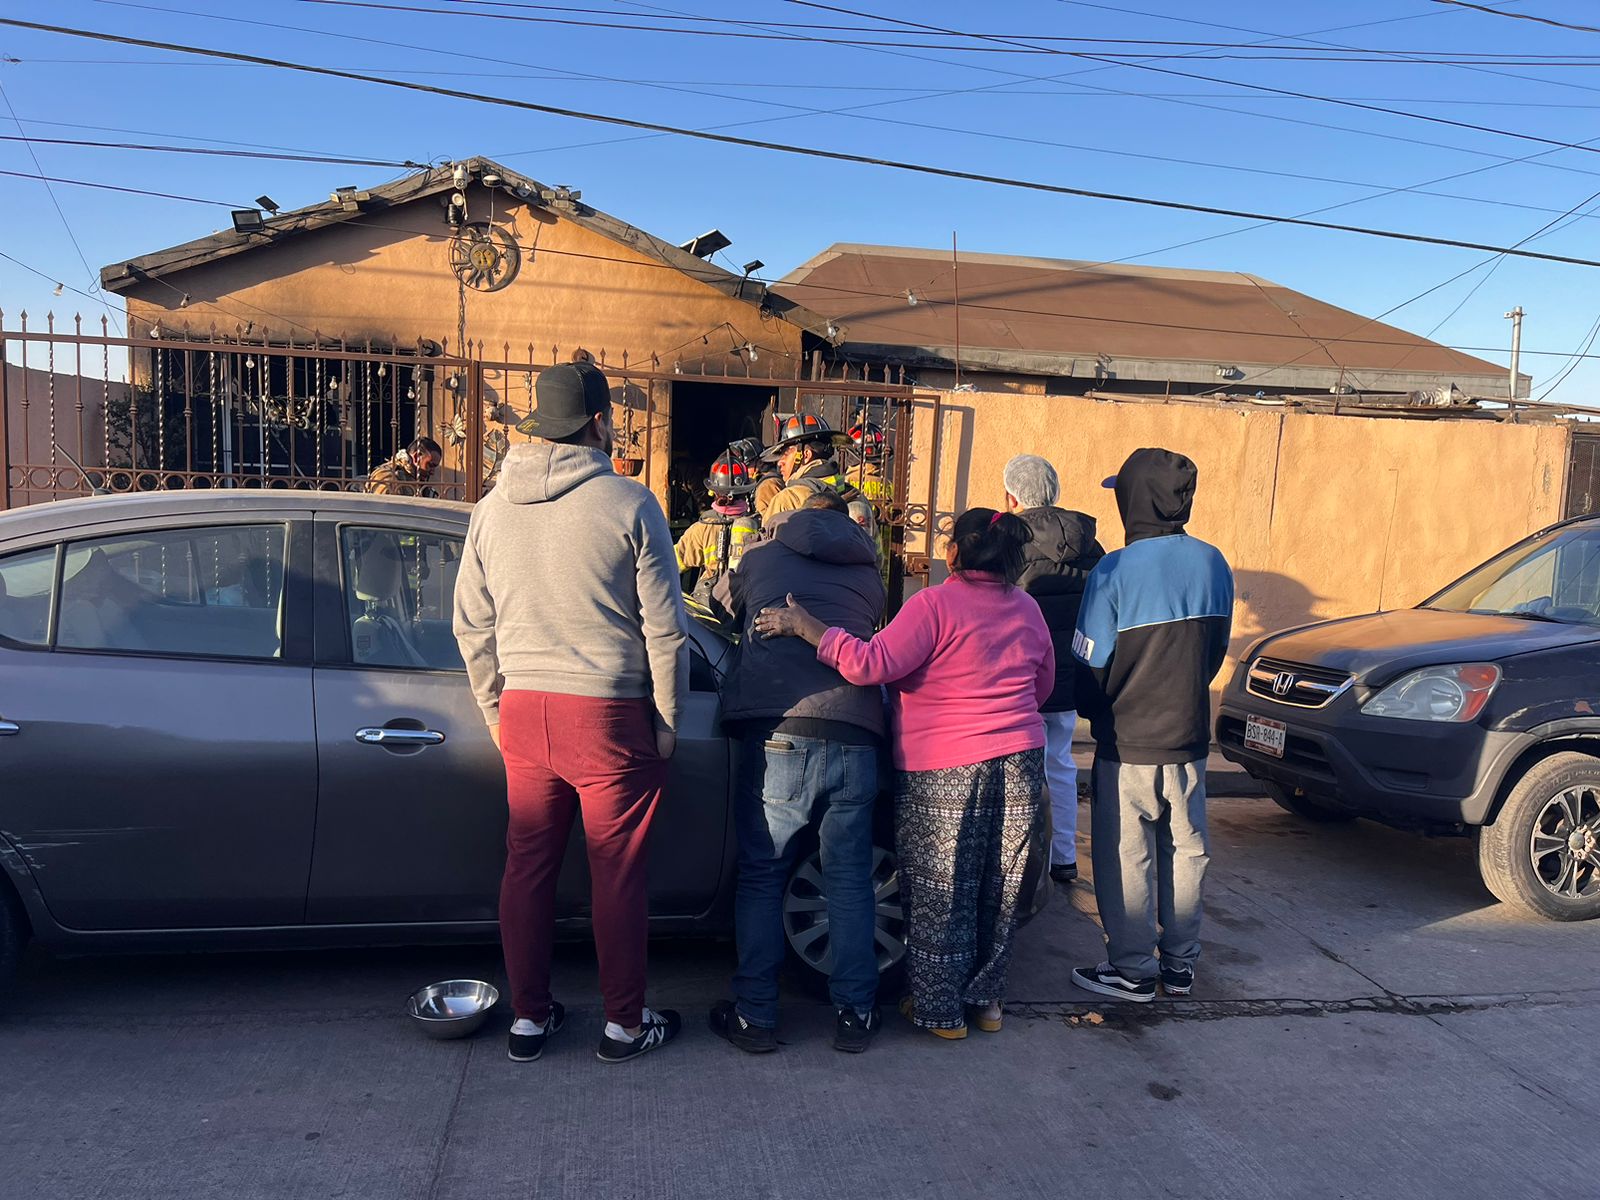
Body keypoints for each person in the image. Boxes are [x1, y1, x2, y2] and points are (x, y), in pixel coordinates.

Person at [453, 360, 688, 1065]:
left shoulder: (491, 509)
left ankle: (529, 1017)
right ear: (598, 422)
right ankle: (622, 1025)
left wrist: (497, 714)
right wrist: (668, 722)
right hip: (607, 714)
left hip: (526, 709)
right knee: (615, 870)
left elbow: (471, 625)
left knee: (526, 866)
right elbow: (666, 629)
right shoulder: (629, 503)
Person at [754, 509, 1053, 1040]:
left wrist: (808, 628)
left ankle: (940, 1012)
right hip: (1021, 759)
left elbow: (870, 664)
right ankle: (986, 1004)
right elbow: (1042, 684)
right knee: (999, 885)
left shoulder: (934, 604)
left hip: (945, 764)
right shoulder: (1027, 608)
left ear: (956, 553)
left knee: (943, 887)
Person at [706, 490, 887, 1054]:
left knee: (764, 874)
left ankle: (756, 1017)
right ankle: (855, 1015)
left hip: (780, 726)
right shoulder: (870, 576)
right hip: (856, 730)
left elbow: (721, 607)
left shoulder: (760, 557)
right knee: (850, 878)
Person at [1069, 447, 1233, 1004]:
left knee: (1126, 855)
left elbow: (1090, 662)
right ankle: (1181, 966)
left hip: (1128, 741)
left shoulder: (1112, 569)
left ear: (1132, 501)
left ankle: (1133, 970)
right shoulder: (1215, 562)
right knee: (1187, 850)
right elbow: (1214, 654)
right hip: (1189, 737)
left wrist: (1097, 713)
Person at [1004, 454, 1105, 885]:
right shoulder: (1090, 543)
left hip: (1018, 678)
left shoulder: (1009, 543)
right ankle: (1062, 857)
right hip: (1068, 678)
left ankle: (1016, 865)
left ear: (1011, 496)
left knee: (1011, 773)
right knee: (1060, 765)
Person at [674, 449, 761, 605]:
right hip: (748, 608)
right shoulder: (759, 525)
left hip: (710, 610)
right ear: (746, 491)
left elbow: (670, 564)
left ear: (713, 491)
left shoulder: (701, 529)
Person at [760, 413, 862, 519]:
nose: (780, 462)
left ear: (806, 455)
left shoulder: (787, 499)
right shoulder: (855, 495)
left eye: (785, 454)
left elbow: (770, 533)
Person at [364, 435, 442, 495]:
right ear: (416, 457)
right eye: (430, 465)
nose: (432, 472)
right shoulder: (386, 476)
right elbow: (387, 509)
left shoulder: (418, 481)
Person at [729, 436, 783, 520]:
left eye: (746, 466)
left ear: (760, 462)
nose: (743, 471)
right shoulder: (759, 482)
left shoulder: (767, 485)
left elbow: (770, 521)